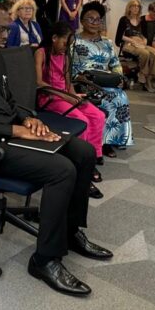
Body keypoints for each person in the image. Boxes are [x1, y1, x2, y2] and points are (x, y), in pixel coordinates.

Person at [0, 0, 111, 296]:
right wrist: (13, 128)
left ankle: (69, 232)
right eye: (1, 29)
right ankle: (44, 260)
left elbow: (6, 103)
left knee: (81, 153)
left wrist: (27, 118)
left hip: (9, 136)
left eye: (8, 28)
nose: (7, 35)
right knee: (61, 171)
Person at [36, 21, 106, 191]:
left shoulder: (66, 55)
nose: (66, 46)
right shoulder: (41, 53)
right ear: (54, 38)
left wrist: (74, 95)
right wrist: (66, 96)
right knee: (82, 120)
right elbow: (39, 83)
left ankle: (93, 157)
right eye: (64, 42)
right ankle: (81, 163)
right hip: (49, 97)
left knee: (98, 115)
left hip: (65, 96)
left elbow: (68, 83)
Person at [74, 2, 133, 156]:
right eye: (90, 19)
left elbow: (115, 64)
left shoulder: (107, 42)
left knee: (120, 96)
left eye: (98, 19)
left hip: (105, 80)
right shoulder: (74, 41)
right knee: (105, 97)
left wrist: (119, 77)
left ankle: (108, 141)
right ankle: (97, 140)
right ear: (82, 21)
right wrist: (78, 77)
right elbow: (67, 65)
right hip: (84, 81)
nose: (94, 23)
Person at [116, 0, 155, 92]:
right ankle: (143, 75)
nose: (135, 8)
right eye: (133, 6)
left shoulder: (141, 20)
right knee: (145, 53)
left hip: (140, 42)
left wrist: (144, 41)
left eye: (138, 6)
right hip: (128, 43)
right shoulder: (124, 19)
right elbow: (119, 36)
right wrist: (132, 40)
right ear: (129, 7)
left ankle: (148, 78)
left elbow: (144, 35)